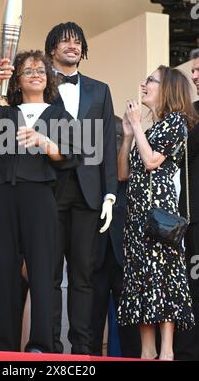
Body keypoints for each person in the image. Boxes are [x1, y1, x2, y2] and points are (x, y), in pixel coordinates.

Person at [0, 49, 76, 353]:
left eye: (40, 70)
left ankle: (41, 345)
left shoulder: (59, 115)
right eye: (28, 70)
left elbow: (69, 155)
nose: (35, 74)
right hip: (4, 195)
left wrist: (44, 142)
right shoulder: (4, 113)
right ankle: (1, 346)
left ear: (48, 79)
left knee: (43, 271)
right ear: (17, 79)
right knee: (3, 270)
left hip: (40, 195)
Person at [44, 22, 118, 355]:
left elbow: (105, 144)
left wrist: (110, 194)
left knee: (83, 276)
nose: (72, 46)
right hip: (48, 189)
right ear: (52, 48)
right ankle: (48, 347)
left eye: (77, 42)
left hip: (89, 194)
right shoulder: (38, 83)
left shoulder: (100, 90)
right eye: (65, 41)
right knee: (46, 275)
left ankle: (84, 350)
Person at [117, 65, 198, 360]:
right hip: (137, 211)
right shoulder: (149, 128)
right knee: (142, 277)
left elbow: (152, 162)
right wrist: (128, 135)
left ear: (167, 89)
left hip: (159, 211)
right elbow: (123, 173)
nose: (144, 84)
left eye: (151, 80)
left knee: (163, 275)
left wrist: (137, 125)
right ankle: (146, 351)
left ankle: (166, 352)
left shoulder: (177, 121)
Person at [92, 116, 141, 357]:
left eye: (121, 138)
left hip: (127, 260)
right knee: (90, 324)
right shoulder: (90, 175)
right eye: (111, 140)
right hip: (94, 259)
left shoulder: (137, 171)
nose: (116, 144)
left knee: (130, 328)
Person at [175, 48, 199, 360]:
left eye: (198, 70)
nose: (194, 76)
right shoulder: (190, 115)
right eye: (193, 71)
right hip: (193, 220)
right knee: (193, 294)